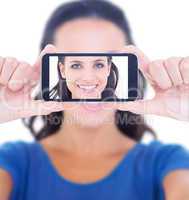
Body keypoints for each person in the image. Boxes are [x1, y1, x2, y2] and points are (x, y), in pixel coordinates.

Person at [0, 0, 189, 199]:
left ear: (110, 67)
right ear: (59, 68)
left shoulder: (167, 162)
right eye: (76, 64)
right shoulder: (14, 161)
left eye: (99, 63)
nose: (89, 78)